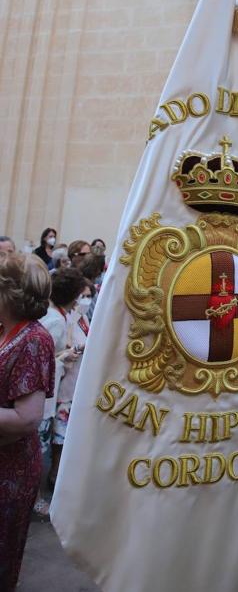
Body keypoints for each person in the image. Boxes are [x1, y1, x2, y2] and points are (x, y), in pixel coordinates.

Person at [0, 252, 55, 591]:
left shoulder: (35, 339)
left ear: (8, 293)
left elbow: (27, 417)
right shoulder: (6, 327)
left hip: (10, 468)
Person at [39, 268, 86, 490]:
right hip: (48, 392)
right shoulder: (56, 320)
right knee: (40, 448)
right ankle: (35, 496)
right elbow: (42, 359)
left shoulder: (57, 314)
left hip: (55, 388)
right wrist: (65, 357)